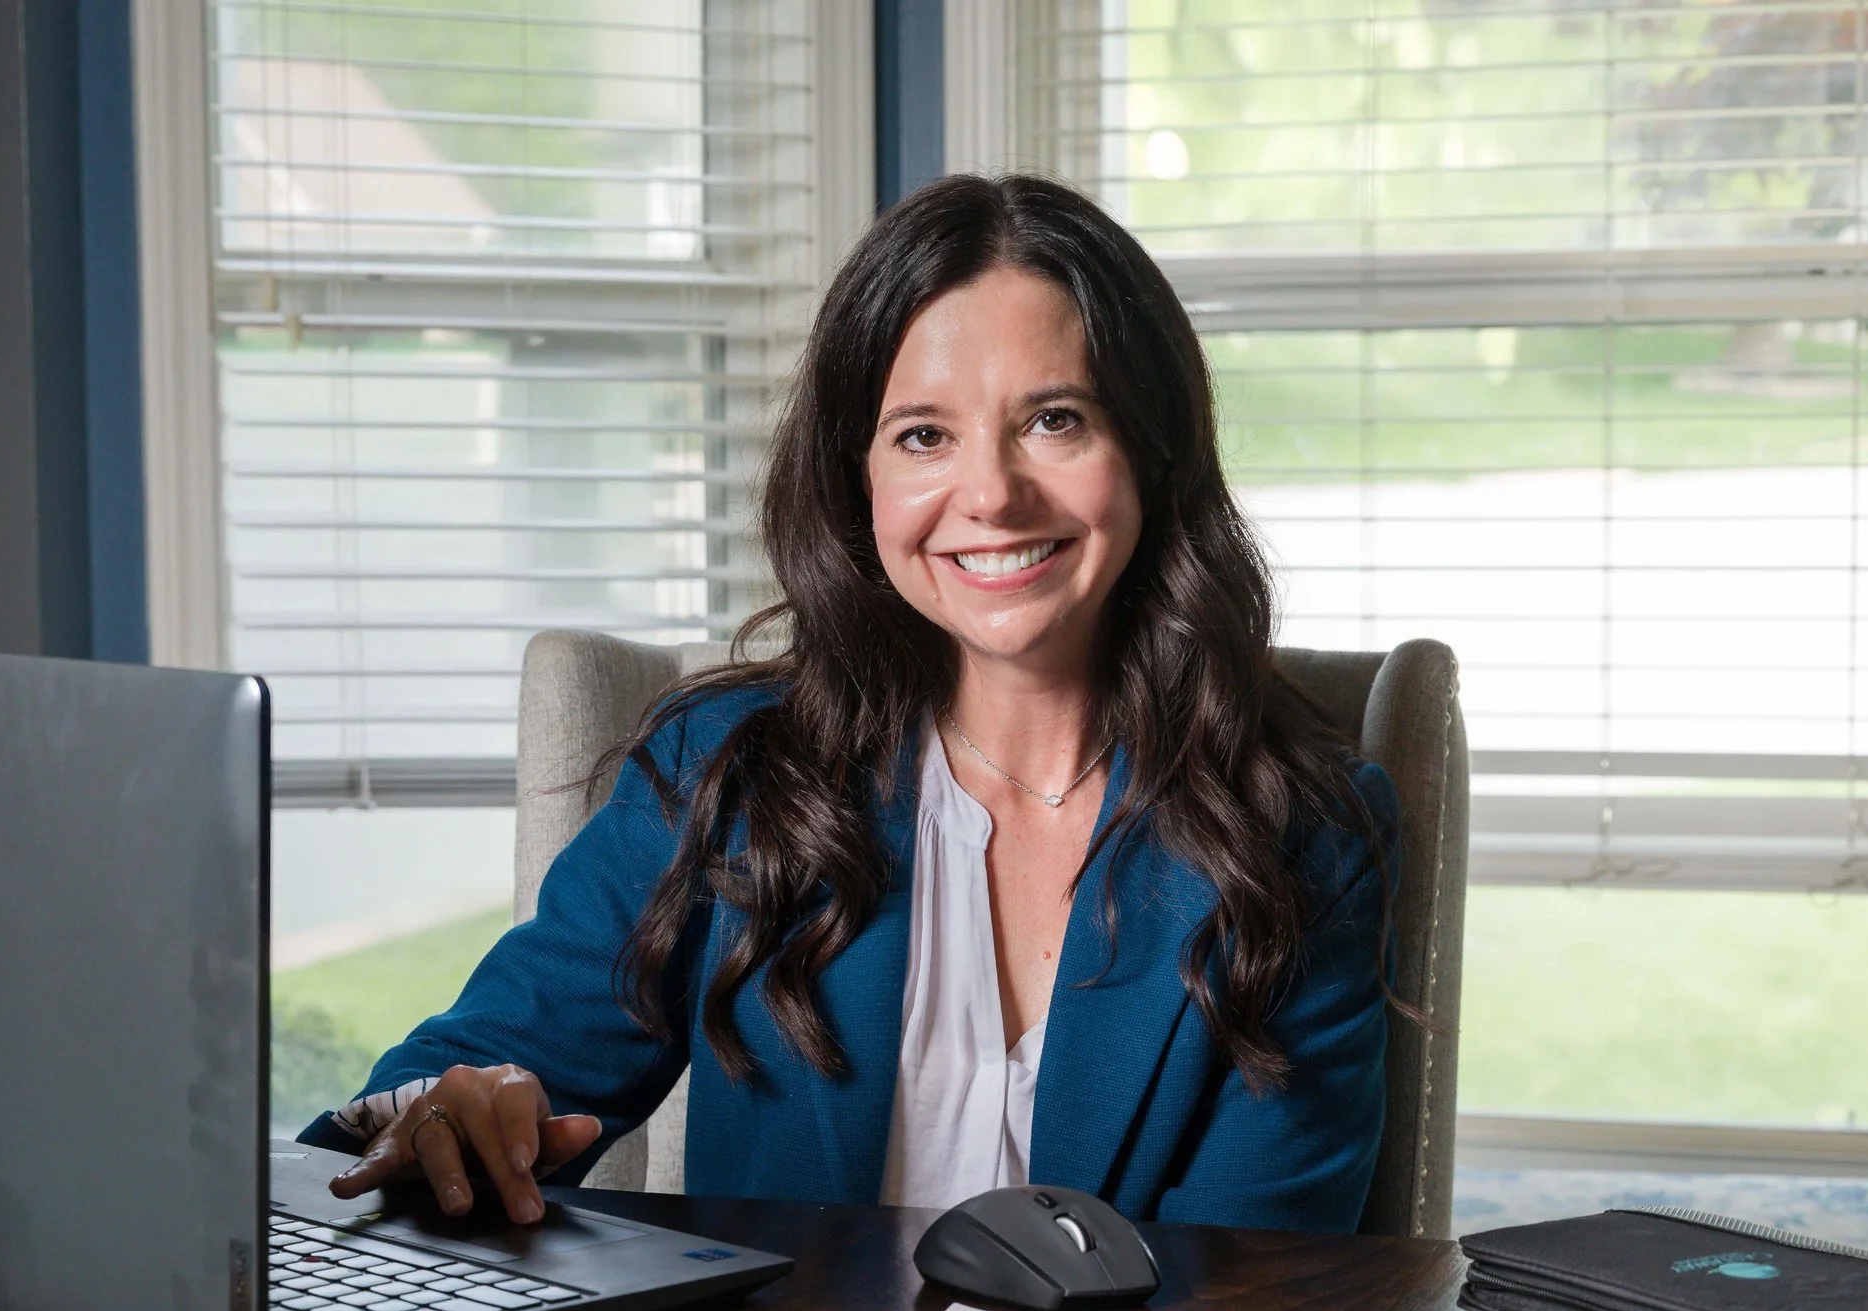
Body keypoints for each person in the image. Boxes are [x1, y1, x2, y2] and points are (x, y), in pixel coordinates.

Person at [301, 174, 1401, 1234]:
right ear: (857, 476)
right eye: (924, 434)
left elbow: (1261, 1283)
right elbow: (429, 1108)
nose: (991, 494)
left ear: (1152, 453)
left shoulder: (1300, 837)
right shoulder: (725, 772)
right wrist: (456, 1118)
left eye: (1055, 419)